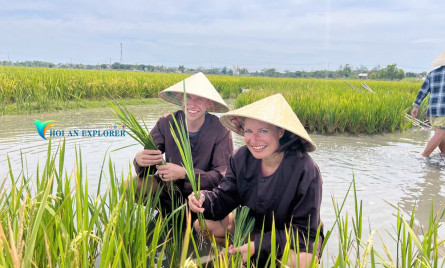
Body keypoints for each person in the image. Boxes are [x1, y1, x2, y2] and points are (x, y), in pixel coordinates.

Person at [188, 94, 324, 267]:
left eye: (263, 131)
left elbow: (303, 232)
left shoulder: (306, 169)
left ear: (280, 132)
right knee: (202, 225)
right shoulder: (240, 158)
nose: (253, 140)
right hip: (252, 226)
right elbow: (224, 197)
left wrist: (260, 245)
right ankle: (240, 256)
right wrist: (203, 199)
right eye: (248, 131)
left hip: (288, 237)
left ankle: (255, 253)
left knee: (302, 261)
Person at [133, 72, 233, 213]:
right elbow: (150, 162)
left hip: (202, 194)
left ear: (209, 104)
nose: (192, 104)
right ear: (181, 100)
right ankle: (165, 212)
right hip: (169, 188)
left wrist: (185, 174)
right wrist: (140, 160)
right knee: (130, 185)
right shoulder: (166, 122)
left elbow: (222, 176)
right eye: (188, 97)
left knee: (204, 216)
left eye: (199, 99)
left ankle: (191, 217)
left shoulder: (221, 130)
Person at [411, 50, 445, 157]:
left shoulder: (432, 74)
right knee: (440, 134)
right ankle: (423, 156)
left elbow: (423, 91)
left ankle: (443, 156)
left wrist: (416, 106)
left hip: (433, 111)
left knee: (441, 135)